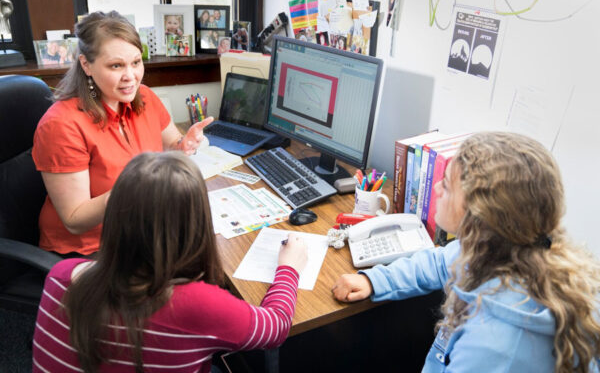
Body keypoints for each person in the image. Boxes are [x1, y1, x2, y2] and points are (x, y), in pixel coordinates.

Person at [333, 132, 600, 372]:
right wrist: (374, 280)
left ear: (478, 216)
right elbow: (439, 262)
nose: (436, 188)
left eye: (446, 185)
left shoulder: (495, 347)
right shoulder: (510, 248)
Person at [32, 151, 308, 372]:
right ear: (196, 223)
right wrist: (289, 268)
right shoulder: (195, 304)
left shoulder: (61, 275)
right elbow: (276, 327)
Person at [32, 11, 214, 257]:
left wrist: (183, 146)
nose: (131, 76)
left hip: (141, 230)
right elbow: (74, 219)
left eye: (136, 62)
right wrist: (135, 188)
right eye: (116, 65)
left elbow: (171, 143)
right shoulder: (61, 125)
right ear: (86, 65)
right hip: (91, 250)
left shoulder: (146, 97)